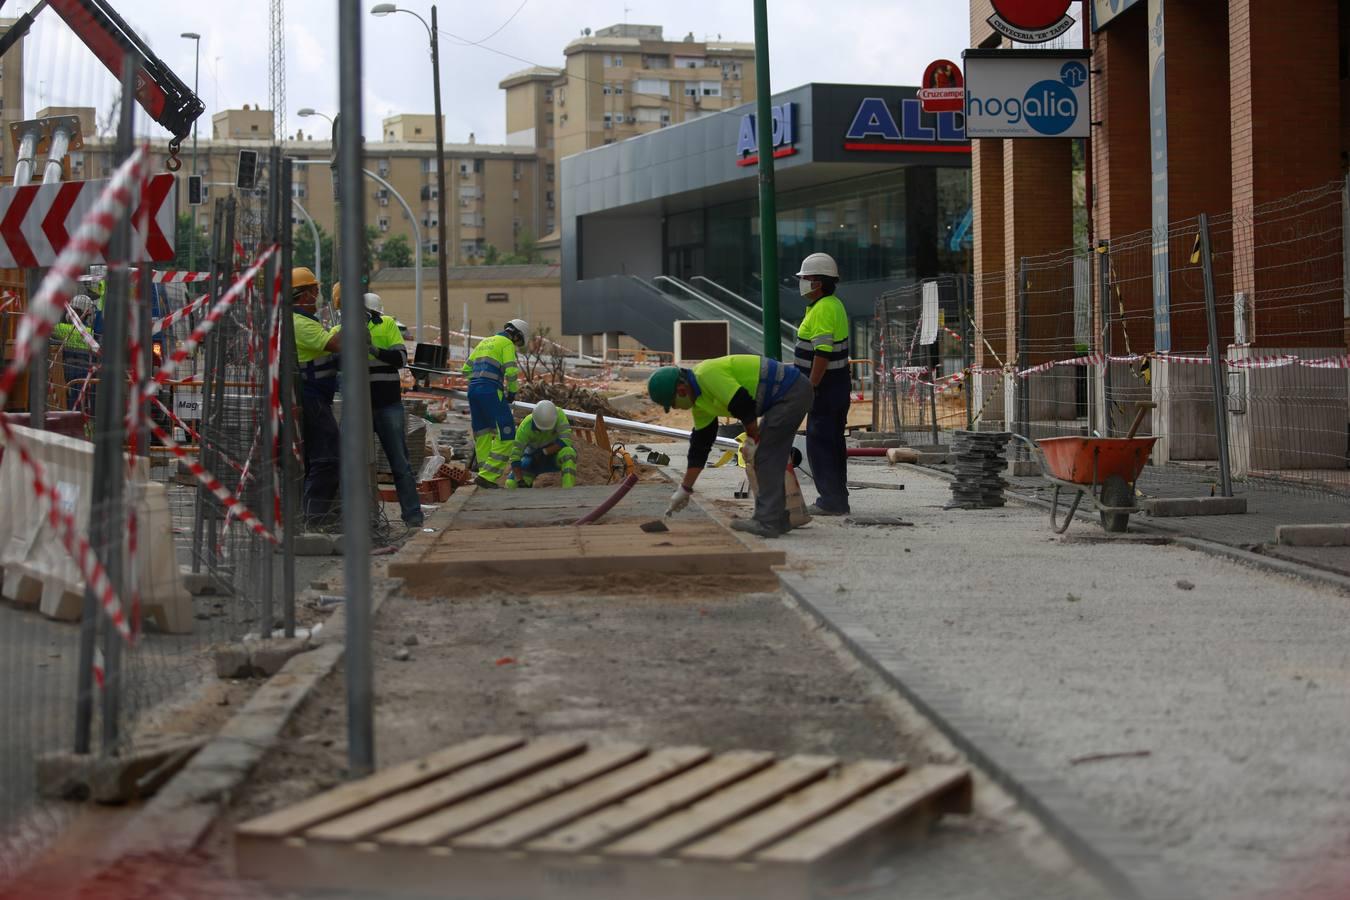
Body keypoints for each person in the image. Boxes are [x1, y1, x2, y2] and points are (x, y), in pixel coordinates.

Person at [648, 354, 812, 538]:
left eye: (673, 404)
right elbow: (700, 448)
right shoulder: (700, 403)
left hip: (791, 392)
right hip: (784, 395)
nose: (676, 409)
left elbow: (742, 403)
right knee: (767, 455)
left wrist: (751, 441)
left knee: (766, 455)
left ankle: (768, 521)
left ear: (681, 390)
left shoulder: (707, 375)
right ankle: (778, 519)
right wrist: (684, 489)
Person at [794, 252, 851, 516]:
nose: (801, 282)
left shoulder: (824, 309)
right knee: (833, 442)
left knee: (820, 443)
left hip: (825, 388)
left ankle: (831, 500)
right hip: (837, 386)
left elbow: (822, 353)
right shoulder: (831, 305)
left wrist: (810, 386)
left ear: (817, 282)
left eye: (805, 278)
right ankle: (837, 497)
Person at [363, 292, 423, 527]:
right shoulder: (345, 326)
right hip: (361, 404)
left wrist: (374, 350)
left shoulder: (387, 324)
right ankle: (366, 518)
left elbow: (400, 358)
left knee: (400, 463)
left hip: (387, 403)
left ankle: (413, 515)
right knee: (357, 463)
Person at [292, 266, 343, 528]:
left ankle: (313, 515)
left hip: (314, 398)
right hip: (310, 398)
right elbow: (338, 345)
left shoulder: (303, 321)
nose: (317, 295)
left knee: (318, 457)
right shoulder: (300, 323)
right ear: (303, 295)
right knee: (327, 456)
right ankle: (313, 517)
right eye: (314, 291)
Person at [462, 318, 528, 487]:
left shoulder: (485, 342)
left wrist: (478, 380)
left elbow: (466, 370)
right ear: (516, 335)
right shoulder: (506, 344)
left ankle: (483, 475)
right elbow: (512, 371)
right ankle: (488, 477)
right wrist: (512, 392)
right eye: (519, 340)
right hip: (491, 391)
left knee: (483, 433)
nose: (517, 344)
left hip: (473, 391)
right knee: (507, 433)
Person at [505, 399, 577, 489]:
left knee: (568, 453)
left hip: (554, 455)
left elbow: (566, 440)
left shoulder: (559, 415)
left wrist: (544, 452)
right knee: (511, 484)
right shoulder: (525, 428)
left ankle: (568, 491)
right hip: (532, 460)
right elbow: (515, 456)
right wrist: (520, 480)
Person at [53, 294, 95, 411]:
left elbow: (52, 328)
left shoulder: (62, 329)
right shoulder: (90, 332)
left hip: (68, 371)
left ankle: (73, 419)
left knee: (72, 400)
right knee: (85, 400)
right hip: (86, 372)